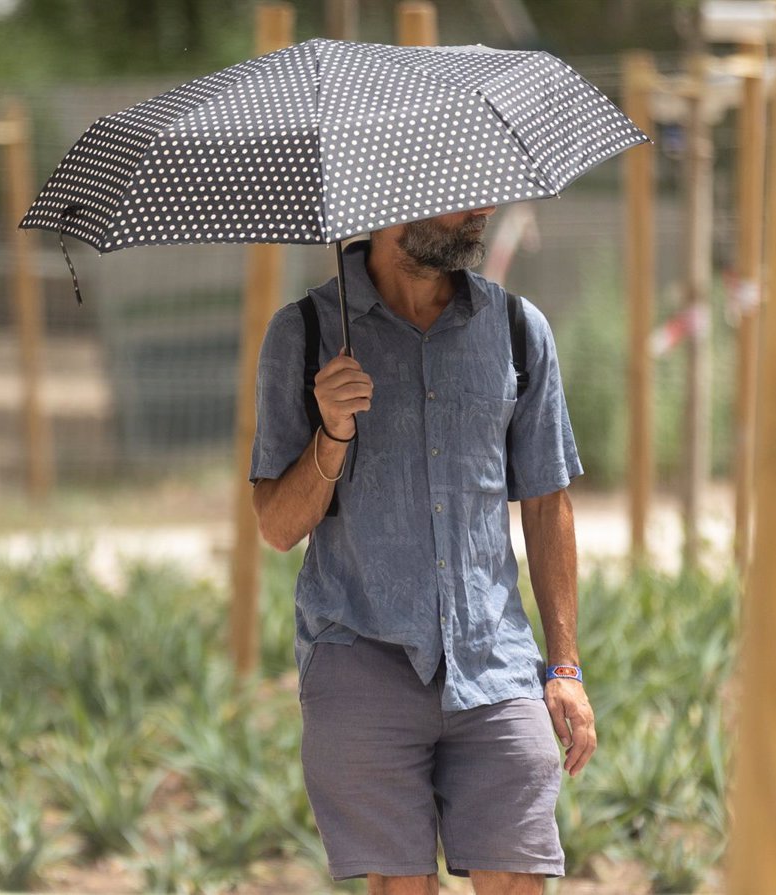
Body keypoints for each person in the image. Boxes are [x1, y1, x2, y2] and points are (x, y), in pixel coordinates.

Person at [249, 206, 596, 895]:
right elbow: (278, 526)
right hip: (359, 653)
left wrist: (565, 665)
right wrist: (332, 432)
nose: (481, 211)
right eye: (458, 195)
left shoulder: (519, 330)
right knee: (400, 887)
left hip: (493, 661)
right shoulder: (307, 333)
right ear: (386, 203)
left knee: (520, 876)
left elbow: (548, 502)